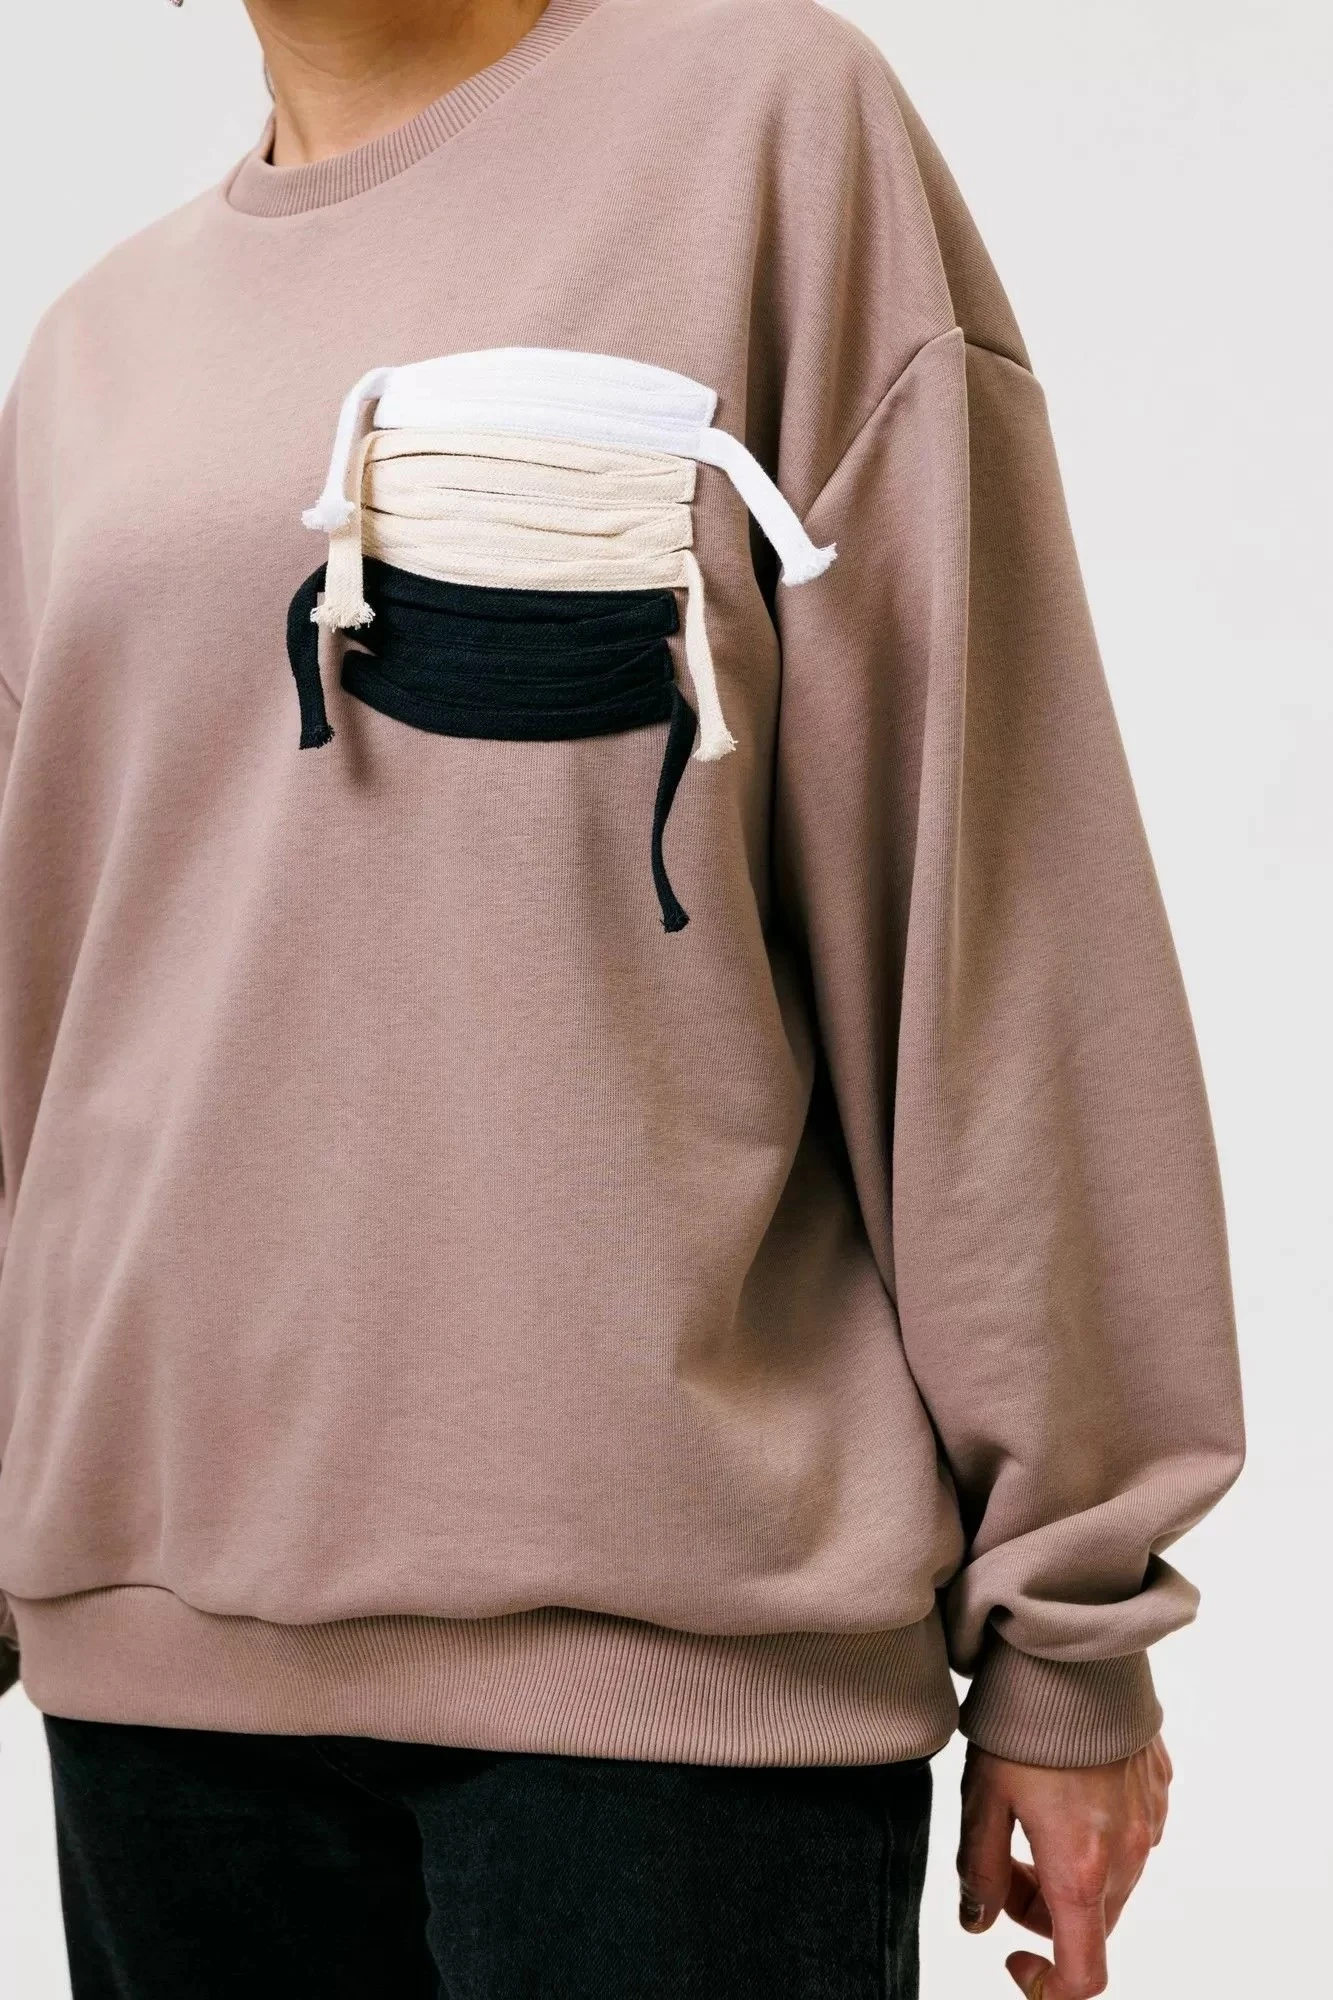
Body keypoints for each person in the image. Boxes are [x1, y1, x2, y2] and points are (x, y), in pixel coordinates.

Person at [0, 2, 1244, 1996]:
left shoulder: (761, 130)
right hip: (157, 1676)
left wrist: (1070, 1614)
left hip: (675, 1691)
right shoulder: (89, 362)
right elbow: (36, 1023)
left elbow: (986, 890)